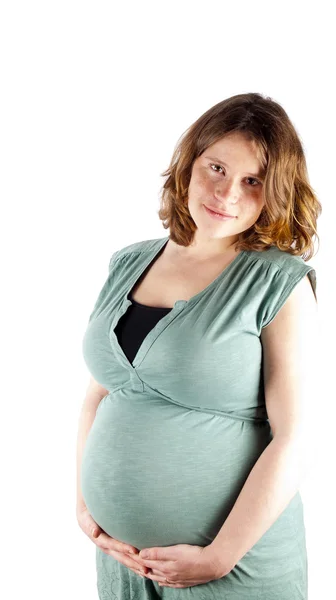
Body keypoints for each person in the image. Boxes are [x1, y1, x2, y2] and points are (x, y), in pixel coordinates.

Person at [76, 92, 321, 599]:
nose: (227, 194)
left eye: (253, 181)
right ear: (189, 164)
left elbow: (293, 438)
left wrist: (218, 556)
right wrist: (85, 503)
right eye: (216, 168)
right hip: (125, 564)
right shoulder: (129, 263)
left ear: (275, 192)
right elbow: (101, 393)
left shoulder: (278, 282)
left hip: (232, 567)